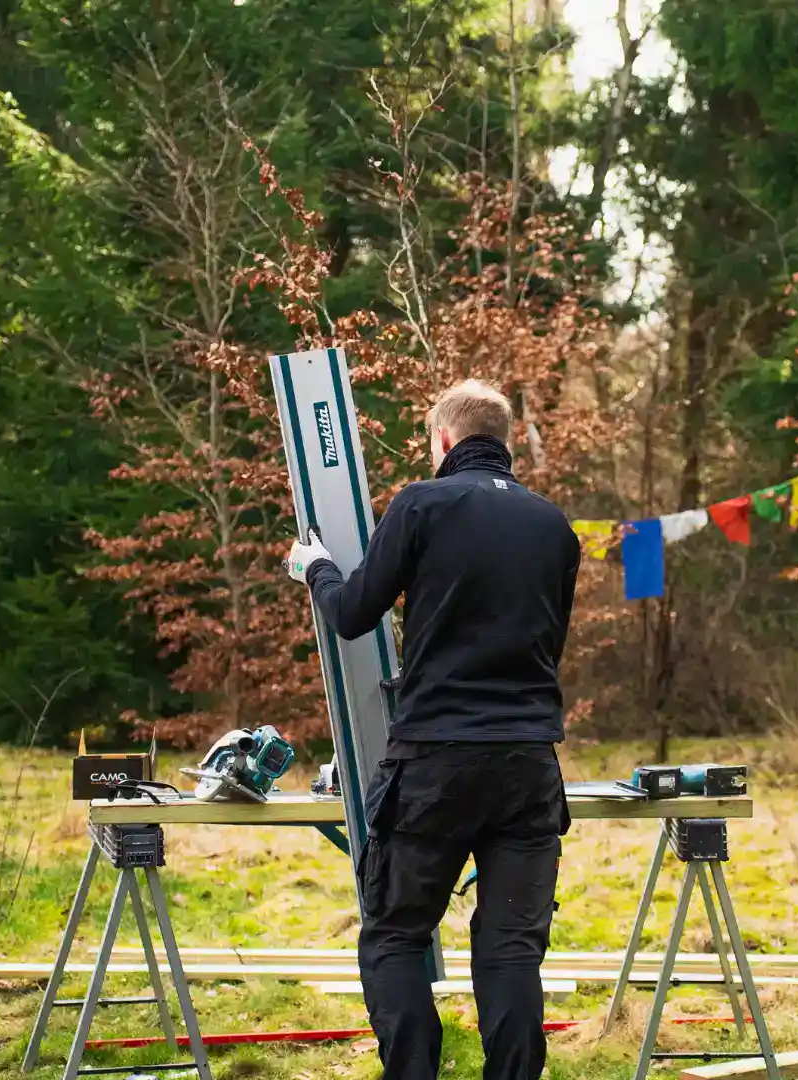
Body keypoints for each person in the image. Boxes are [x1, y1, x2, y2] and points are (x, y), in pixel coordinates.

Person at [285, 378, 581, 1080]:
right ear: (503, 442)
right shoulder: (554, 526)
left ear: (443, 440)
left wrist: (315, 568)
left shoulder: (422, 503)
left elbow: (354, 613)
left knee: (394, 934)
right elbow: (550, 645)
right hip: (528, 766)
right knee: (511, 952)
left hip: (437, 761)